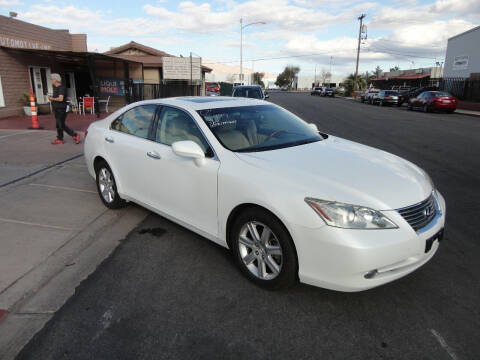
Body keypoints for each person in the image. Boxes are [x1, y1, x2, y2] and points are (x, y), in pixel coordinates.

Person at [48, 73, 81, 145]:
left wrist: (51, 98)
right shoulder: (56, 88)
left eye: (51, 79)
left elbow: (60, 99)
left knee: (61, 125)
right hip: (57, 109)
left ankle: (75, 135)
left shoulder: (61, 88)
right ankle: (60, 139)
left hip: (61, 109)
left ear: (55, 79)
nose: (51, 80)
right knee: (59, 124)